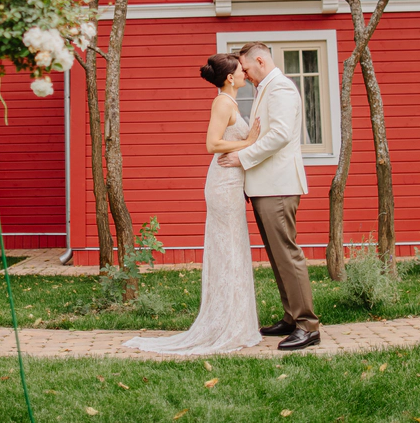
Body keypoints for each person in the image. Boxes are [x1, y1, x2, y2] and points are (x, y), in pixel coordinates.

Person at [123, 53, 263, 355]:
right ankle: (225, 324)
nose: (245, 72)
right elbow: (212, 144)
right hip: (223, 185)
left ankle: (236, 322)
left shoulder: (231, 102)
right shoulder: (222, 103)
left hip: (232, 183)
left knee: (234, 250)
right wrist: (249, 143)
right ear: (230, 77)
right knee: (228, 250)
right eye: (240, 70)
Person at [218, 41, 320, 350]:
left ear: (261, 61)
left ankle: (307, 326)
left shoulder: (281, 89)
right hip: (265, 187)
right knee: (278, 257)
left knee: (287, 255)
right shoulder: (266, 88)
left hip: (278, 186)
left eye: (247, 68)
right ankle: (291, 317)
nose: (245, 75)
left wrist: (242, 157)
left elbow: (279, 135)